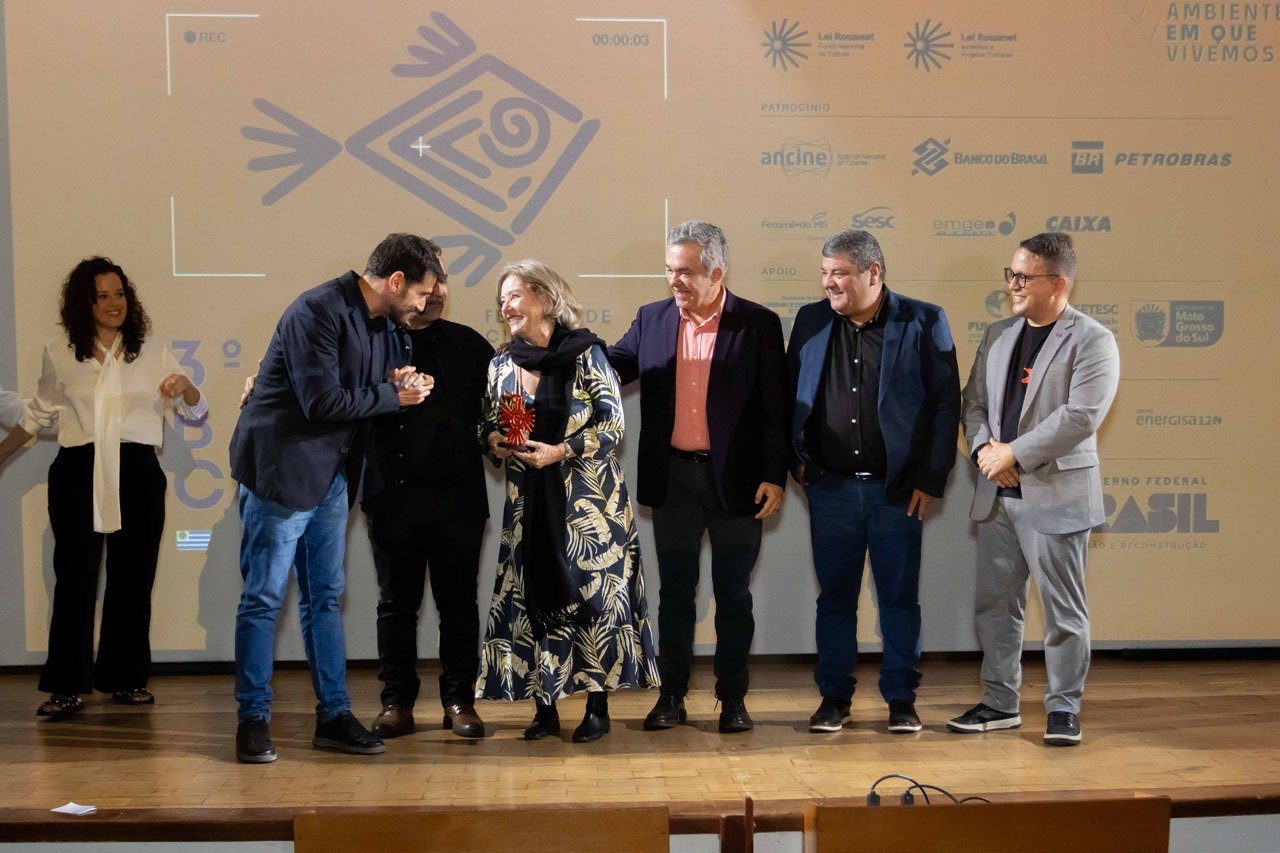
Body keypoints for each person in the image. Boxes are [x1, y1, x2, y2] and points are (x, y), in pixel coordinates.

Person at [229, 233, 437, 763]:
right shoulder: (316, 311)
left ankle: (334, 716)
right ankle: (252, 719)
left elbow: (374, 385)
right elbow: (321, 402)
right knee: (263, 598)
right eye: (421, 293)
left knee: (324, 597)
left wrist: (399, 380)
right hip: (282, 471)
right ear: (395, 281)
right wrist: (392, 394)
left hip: (333, 476)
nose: (423, 305)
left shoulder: (388, 326)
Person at [0, 256, 206, 719]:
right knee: (75, 578)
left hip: (137, 470)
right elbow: (38, 414)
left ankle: (126, 679)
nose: (115, 304)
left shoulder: (152, 351)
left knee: (133, 577)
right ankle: (66, 687)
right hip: (77, 470)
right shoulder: (59, 352)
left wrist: (186, 387)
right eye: (102, 296)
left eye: (120, 294)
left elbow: (195, 409)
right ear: (84, 303)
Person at [608, 220, 788, 734]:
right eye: (670, 270)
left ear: (717, 273)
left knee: (733, 597)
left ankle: (732, 699)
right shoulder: (652, 319)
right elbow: (612, 365)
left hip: (738, 483)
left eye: (685, 271)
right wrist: (559, 351)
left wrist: (774, 476)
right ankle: (672, 695)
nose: (675, 280)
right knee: (675, 595)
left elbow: (775, 408)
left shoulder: (757, 323)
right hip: (674, 481)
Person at [948, 232, 1120, 747]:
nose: (1014, 285)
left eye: (1025, 277)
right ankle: (999, 703)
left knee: (1064, 613)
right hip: (996, 496)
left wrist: (1014, 453)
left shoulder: (1093, 340)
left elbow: (1081, 416)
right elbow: (973, 403)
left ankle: (1064, 708)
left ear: (1059, 283)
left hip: (1056, 496)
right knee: (996, 607)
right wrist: (987, 451)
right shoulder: (999, 333)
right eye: (1012, 274)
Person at [476, 259, 658, 743]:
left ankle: (597, 707)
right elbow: (492, 423)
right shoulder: (502, 364)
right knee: (534, 598)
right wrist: (494, 441)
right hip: (528, 507)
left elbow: (613, 424)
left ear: (544, 297)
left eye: (514, 296)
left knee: (595, 602)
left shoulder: (586, 354)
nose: (506, 307)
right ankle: (545, 707)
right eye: (502, 300)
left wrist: (561, 451)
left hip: (590, 506)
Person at [787, 230, 960, 734]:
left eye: (839, 273)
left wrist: (931, 477)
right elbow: (789, 395)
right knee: (834, 599)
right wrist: (799, 464)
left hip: (897, 491)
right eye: (825, 273)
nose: (829, 283)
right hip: (831, 489)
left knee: (899, 598)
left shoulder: (924, 320)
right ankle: (834, 698)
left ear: (874, 272)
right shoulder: (811, 320)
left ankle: (902, 698)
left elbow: (945, 404)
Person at [363, 268, 494, 741]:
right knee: (396, 606)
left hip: (458, 498)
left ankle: (460, 700)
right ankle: (396, 702)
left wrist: (495, 438)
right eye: (428, 284)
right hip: (391, 496)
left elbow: (493, 415)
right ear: (403, 287)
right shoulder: (372, 341)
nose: (437, 293)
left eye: (443, 283)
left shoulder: (470, 344)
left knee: (459, 604)